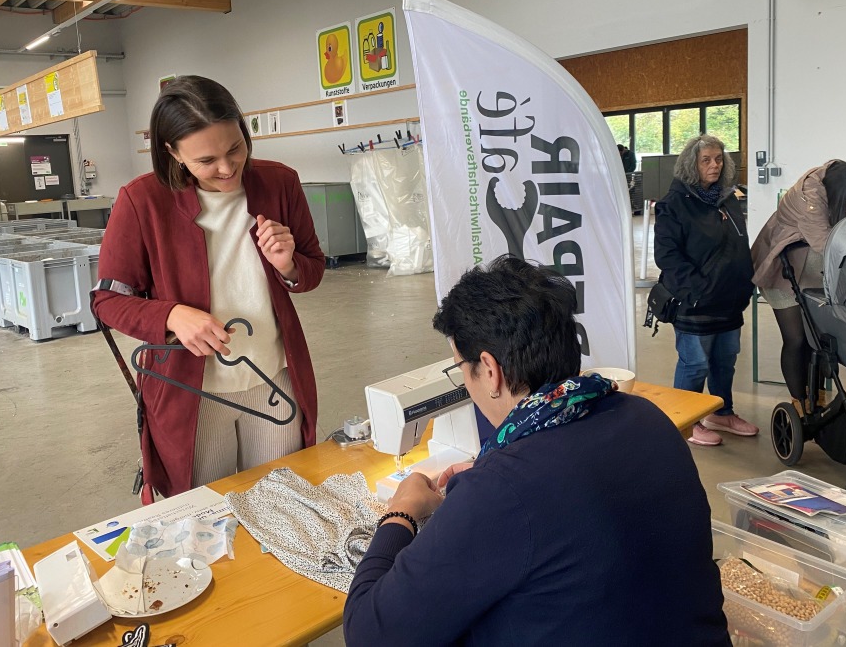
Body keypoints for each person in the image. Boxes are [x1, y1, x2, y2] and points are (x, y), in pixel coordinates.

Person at [344, 256, 729, 646]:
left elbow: (369, 633)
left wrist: (401, 511)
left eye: (460, 366)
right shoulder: (644, 416)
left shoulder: (501, 491)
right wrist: (487, 480)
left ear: (490, 371)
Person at [92, 76, 325, 499]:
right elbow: (107, 301)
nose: (226, 168)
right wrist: (171, 316)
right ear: (172, 152)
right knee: (206, 518)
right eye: (206, 160)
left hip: (272, 380)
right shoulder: (141, 201)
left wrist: (288, 264)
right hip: (193, 395)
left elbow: (312, 269)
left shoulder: (279, 183)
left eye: (235, 148)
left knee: (284, 505)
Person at [653, 134, 756, 447]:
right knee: (695, 363)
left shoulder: (727, 198)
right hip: (695, 302)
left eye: (719, 159)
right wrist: (695, 290)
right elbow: (667, 255)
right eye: (706, 160)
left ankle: (720, 412)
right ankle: (686, 419)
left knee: (724, 360)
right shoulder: (674, 204)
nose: (714, 165)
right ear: (691, 164)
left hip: (728, 300)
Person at [751, 160, 846, 405]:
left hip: (814, 267)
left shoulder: (844, 182)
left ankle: (817, 399)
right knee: (796, 339)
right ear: (839, 195)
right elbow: (827, 246)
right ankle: (799, 403)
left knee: (817, 340)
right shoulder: (809, 197)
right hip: (783, 266)